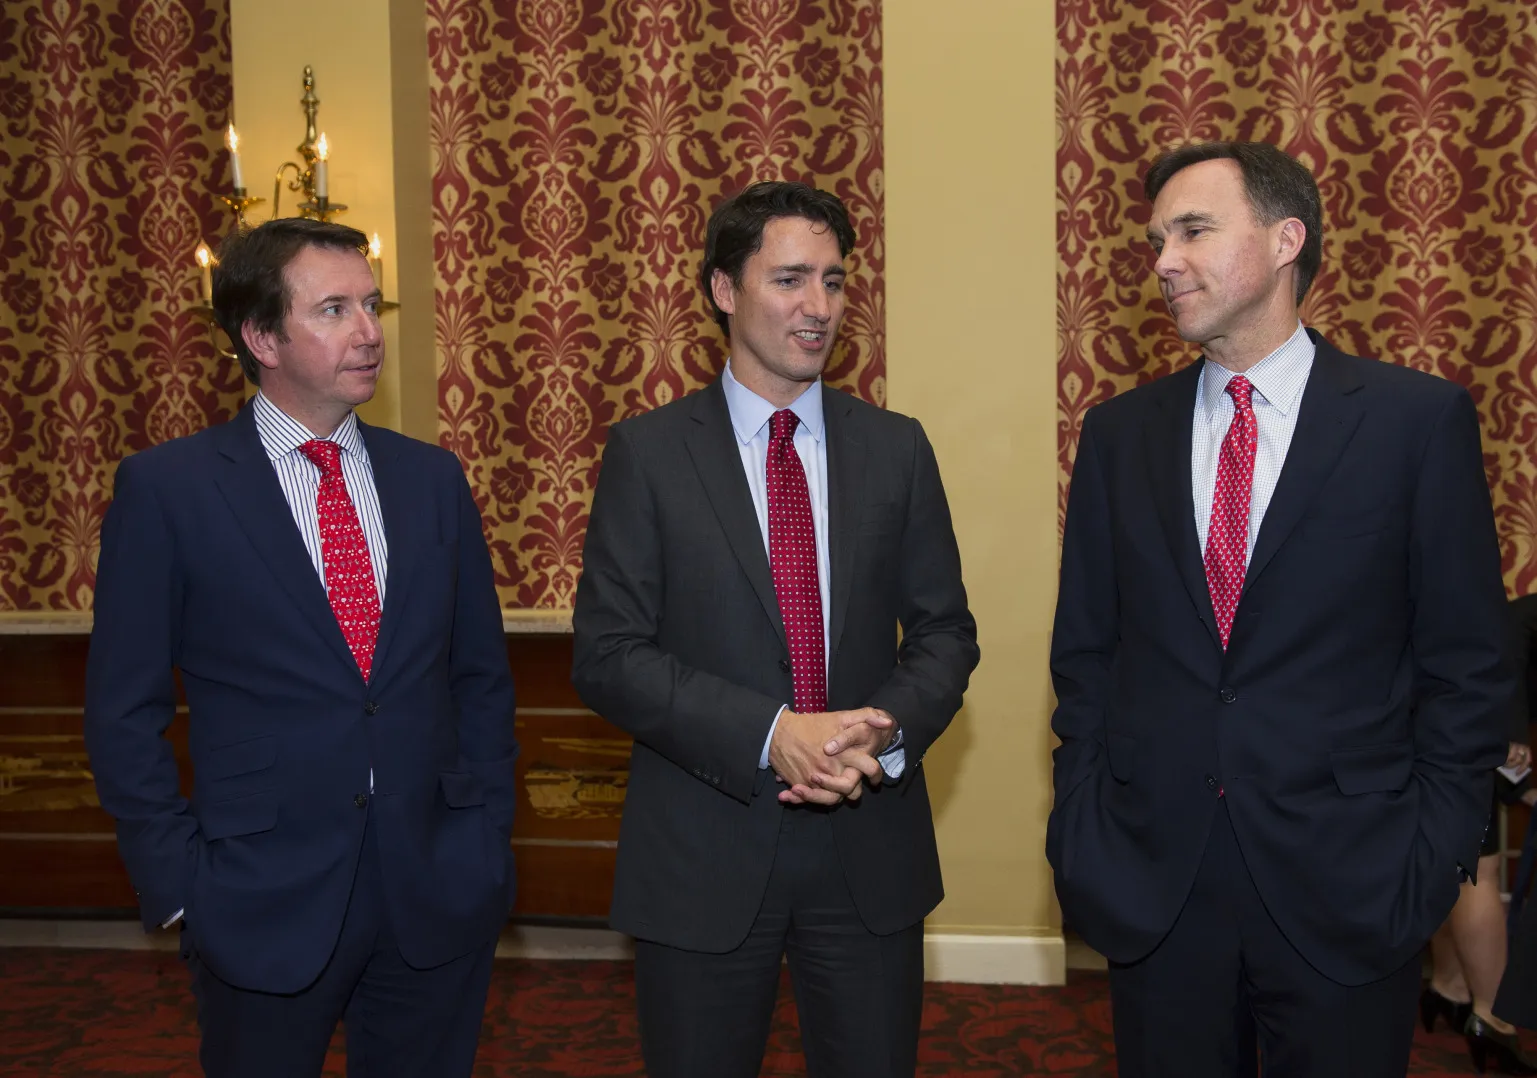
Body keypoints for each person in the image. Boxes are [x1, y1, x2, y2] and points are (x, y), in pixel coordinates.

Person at [1046, 141, 1512, 1077]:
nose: (1162, 261)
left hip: (1350, 883)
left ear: (1285, 239)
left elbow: (1466, 664)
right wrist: (1083, 830)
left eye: (1192, 231)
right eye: (1154, 240)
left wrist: (1428, 859)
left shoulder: (1414, 424)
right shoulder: (1118, 434)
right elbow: (1087, 656)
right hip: (1156, 882)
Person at [84, 218, 518, 1078]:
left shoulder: (431, 479)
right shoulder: (168, 489)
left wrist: (485, 839)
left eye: (370, 305)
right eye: (334, 310)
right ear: (261, 337)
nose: (368, 331)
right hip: (256, 895)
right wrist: (177, 886)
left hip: (434, 886)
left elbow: (480, 679)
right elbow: (122, 707)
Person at [571, 180, 979, 1078]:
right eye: (791, 279)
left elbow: (947, 633)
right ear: (724, 290)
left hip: (869, 845)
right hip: (701, 849)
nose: (819, 307)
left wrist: (883, 729)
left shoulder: (895, 447)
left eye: (834, 282)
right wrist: (771, 735)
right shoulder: (648, 454)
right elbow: (607, 655)